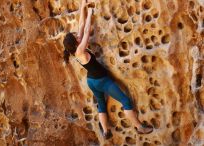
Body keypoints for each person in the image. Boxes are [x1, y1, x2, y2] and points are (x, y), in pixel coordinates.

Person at [62, 0, 153, 139]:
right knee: (126, 101)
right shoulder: (80, 50)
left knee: (102, 105)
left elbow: (80, 25)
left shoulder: (75, 50)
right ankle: (139, 127)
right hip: (101, 81)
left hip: (92, 81)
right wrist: (91, 14)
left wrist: (83, 6)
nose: (78, 35)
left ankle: (106, 132)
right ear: (75, 42)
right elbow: (86, 30)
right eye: (76, 36)